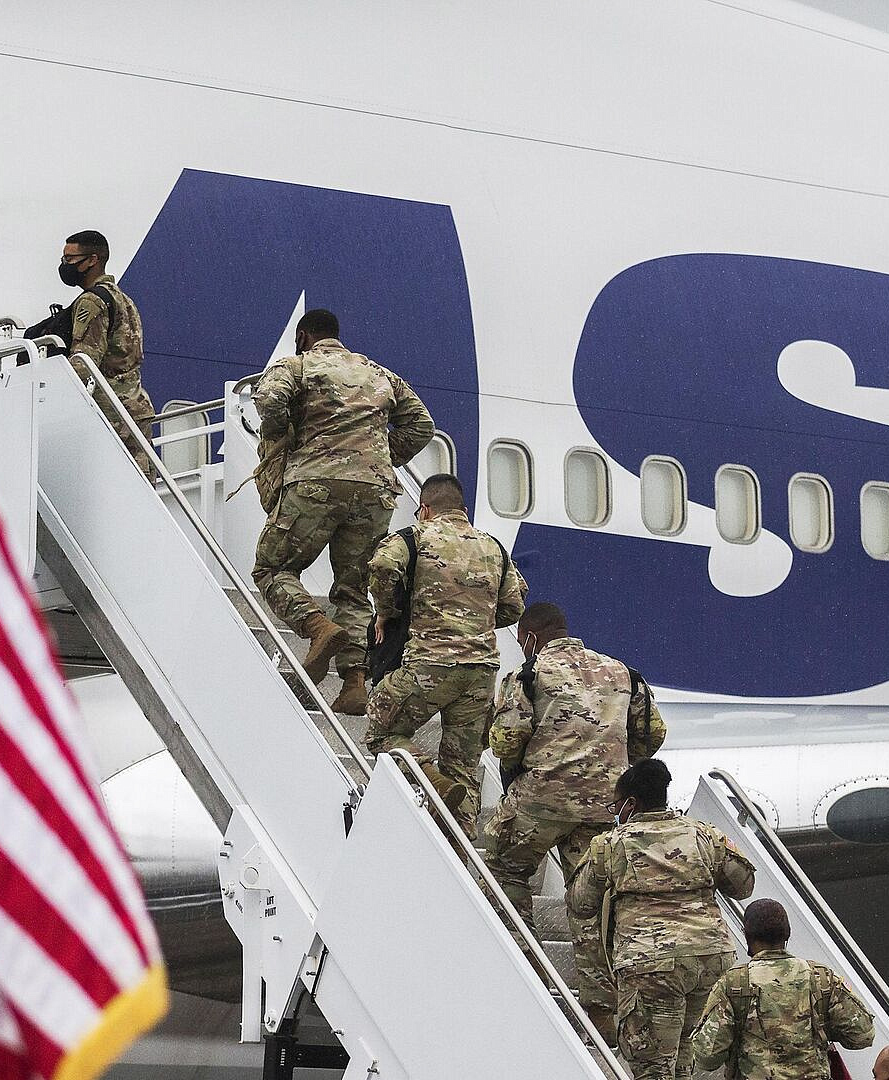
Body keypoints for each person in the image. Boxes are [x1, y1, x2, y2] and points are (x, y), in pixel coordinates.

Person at [483, 600, 666, 1030]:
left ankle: (523, 959)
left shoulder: (529, 674)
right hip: (605, 804)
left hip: (541, 800)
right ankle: (601, 1006)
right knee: (588, 898)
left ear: (530, 638)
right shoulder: (622, 673)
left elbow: (506, 741)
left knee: (504, 865)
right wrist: (612, 766)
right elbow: (653, 734)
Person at [250, 309, 435, 714]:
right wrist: (378, 458)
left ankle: (317, 627)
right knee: (353, 589)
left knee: (272, 568)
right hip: (375, 492)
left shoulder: (298, 365)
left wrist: (284, 436)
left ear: (303, 336)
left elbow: (269, 399)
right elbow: (422, 425)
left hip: (315, 482)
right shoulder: (380, 374)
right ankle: (354, 684)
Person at [566, 758, 755, 1078]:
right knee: (685, 1055)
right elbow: (744, 886)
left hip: (651, 964)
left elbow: (580, 902)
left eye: (615, 806)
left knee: (653, 1068)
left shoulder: (611, 844)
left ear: (631, 804)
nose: (615, 814)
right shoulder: (703, 834)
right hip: (711, 959)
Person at [363, 472, 525, 835]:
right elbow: (514, 606)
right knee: (463, 769)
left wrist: (388, 611)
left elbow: (383, 565)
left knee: (379, 732)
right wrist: (474, 619)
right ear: (463, 509)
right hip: (480, 674)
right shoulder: (494, 548)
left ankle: (427, 776)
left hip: (430, 665)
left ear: (424, 509)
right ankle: (457, 852)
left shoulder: (416, 536)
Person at [689, 899, 876, 1079]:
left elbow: (707, 1057)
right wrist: (820, 1027)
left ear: (746, 935)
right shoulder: (822, 978)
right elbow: (863, 1036)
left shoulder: (733, 983)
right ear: (787, 934)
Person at [59, 230, 154, 467]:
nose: (64, 265)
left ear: (92, 260)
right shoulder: (124, 299)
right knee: (139, 482)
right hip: (135, 409)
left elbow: (83, 363)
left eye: (69, 259)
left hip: (109, 415)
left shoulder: (92, 301)